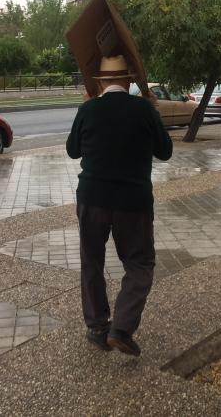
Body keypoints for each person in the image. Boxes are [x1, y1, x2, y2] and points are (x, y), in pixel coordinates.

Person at [66, 55, 172, 356]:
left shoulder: (89, 109)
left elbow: (73, 151)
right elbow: (165, 151)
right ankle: (121, 328)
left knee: (92, 262)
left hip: (92, 198)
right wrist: (154, 112)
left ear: (100, 82)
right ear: (128, 81)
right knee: (139, 264)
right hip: (133, 201)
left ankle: (98, 327)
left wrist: (83, 108)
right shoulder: (143, 109)